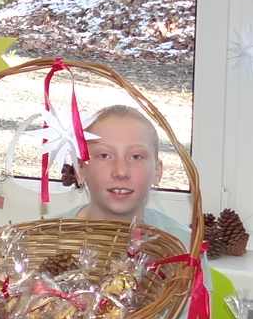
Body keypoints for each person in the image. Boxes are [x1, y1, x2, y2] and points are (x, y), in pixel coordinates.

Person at [62, 104, 194, 246]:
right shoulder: (49, 239)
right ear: (80, 169)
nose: (121, 172)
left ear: (157, 171)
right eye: (104, 155)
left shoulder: (184, 244)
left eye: (136, 157)